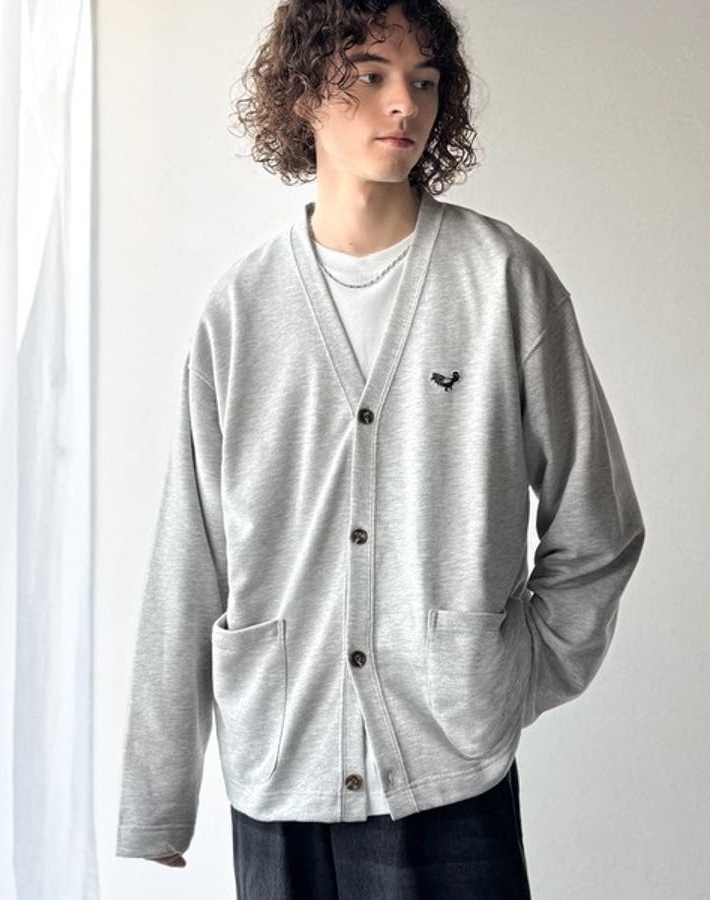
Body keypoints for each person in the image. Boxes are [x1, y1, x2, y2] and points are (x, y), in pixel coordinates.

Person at [115, 1, 646, 896]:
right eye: (369, 74)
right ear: (301, 94)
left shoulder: (501, 282)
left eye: (424, 81)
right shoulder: (240, 312)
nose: (404, 103)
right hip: (282, 762)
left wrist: (505, 676)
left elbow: (599, 525)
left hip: (450, 774)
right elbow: (189, 560)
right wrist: (157, 797)